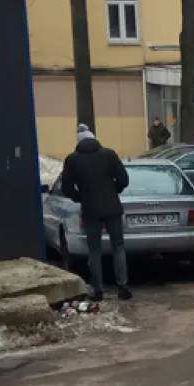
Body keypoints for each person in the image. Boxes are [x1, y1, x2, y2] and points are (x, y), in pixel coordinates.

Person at [61, 123, 133, 301]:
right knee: (118, 246)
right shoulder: (109, 154)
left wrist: (81, 197)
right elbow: (123, 179)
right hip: (112, 207)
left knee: (94, 250)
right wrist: (113, 190)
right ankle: (122, 286)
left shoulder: (73, 160)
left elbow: (66, 188)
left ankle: (97, 289)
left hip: (90, 209)